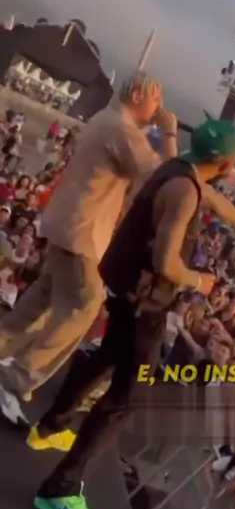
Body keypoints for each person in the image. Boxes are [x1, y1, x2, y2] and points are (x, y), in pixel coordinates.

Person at [31, 117, 235, 509]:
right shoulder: (184, 193)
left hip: (124, 287)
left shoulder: (176, 170)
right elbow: (166, 262)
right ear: (227, 163)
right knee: (126, 399)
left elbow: (211, 198)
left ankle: (50, 426)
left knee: (106, 357)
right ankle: (61, 489)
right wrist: (199, 281)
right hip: (145, 302)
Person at [0, 72, 176, 413]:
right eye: (156, 98)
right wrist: (169, 132)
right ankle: (17, 377)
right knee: (85, 303)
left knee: (41, 301)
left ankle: (6, 351)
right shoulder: (121, 129)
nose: (160, 107)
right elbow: (164, 177)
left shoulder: (106, 119)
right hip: (81, 233)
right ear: (137, 96)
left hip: (65, 225)